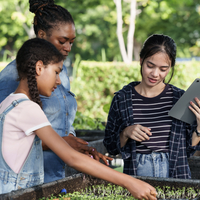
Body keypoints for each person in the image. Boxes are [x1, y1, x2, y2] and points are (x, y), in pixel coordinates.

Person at [0, 38, 157, 200]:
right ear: (39, 68)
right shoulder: (27, 108)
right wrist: (130, 183)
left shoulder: (9, 103)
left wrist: (70, 144)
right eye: (56, 72)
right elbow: (71, 158)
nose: (59, 80)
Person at [0, 0, 112, 183]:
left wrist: (74, 141)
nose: (68, 48)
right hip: (26, 180)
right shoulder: (13, 76)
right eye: (62, 41)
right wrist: (63, 143)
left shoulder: (61, 73)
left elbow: (64, 120)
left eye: (72, 42)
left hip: (57, 176)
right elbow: (6, 132)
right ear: (42, 35)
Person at [103, 34, 200, 179]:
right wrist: (125, 133)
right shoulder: (122, 99)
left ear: (170, 67)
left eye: (163, 69)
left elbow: (187, 150)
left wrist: (199, 128)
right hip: (136, 177)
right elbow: (110, 146)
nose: (155, 74)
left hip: (176, 176)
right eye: (150, 65)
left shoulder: (180, 98)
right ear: (141, 60)